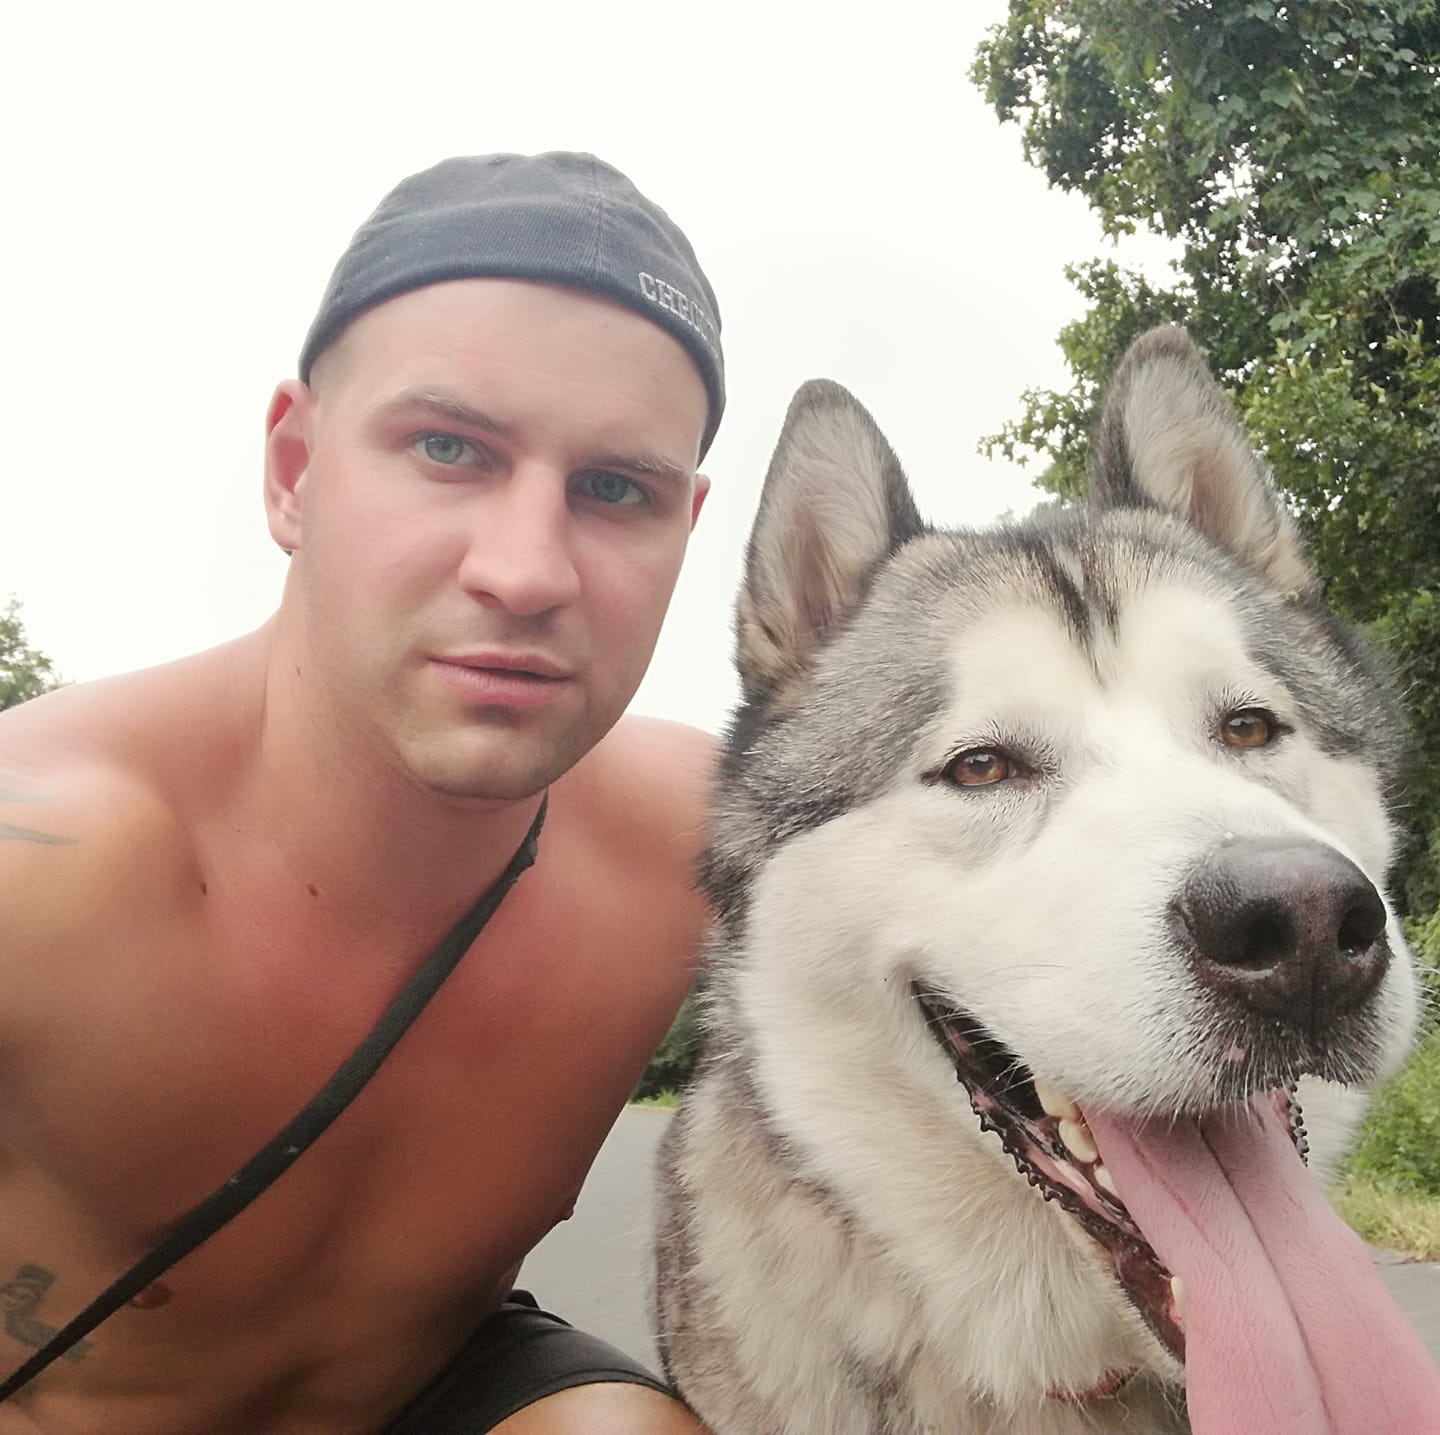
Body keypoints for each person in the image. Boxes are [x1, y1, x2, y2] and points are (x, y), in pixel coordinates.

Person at [0, 153, 723, 1434]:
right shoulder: (42, 853)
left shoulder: (705, 835)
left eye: (617, 489)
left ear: (688, 526)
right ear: (294, 468)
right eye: (449, 448)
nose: (526, 570)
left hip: (436, 1385)